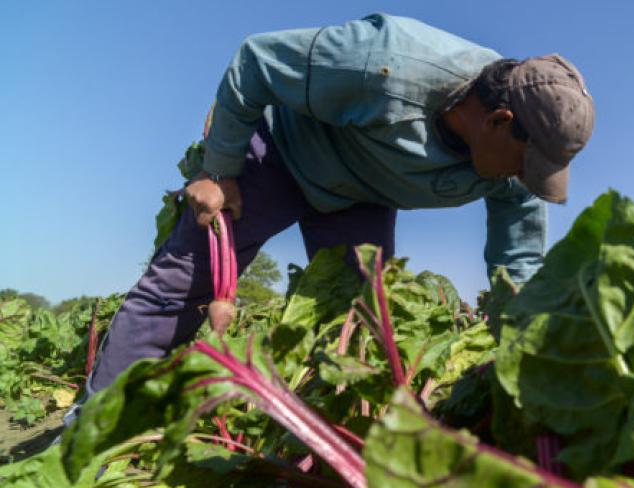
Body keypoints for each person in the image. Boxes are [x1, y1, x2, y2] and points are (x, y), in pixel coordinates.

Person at [77, 13, 595, 409]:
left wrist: (533, 356)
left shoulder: (516, 170)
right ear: (499, 121)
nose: (526, 180)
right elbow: (255, 61)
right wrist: (219, 170)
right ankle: (94, 434)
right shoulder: (385, 60)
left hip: (361, 198)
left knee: (354, 324)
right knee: (182, 284)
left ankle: (321, 426)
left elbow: (518, 270)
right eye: (528, 165)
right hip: (282, 157)